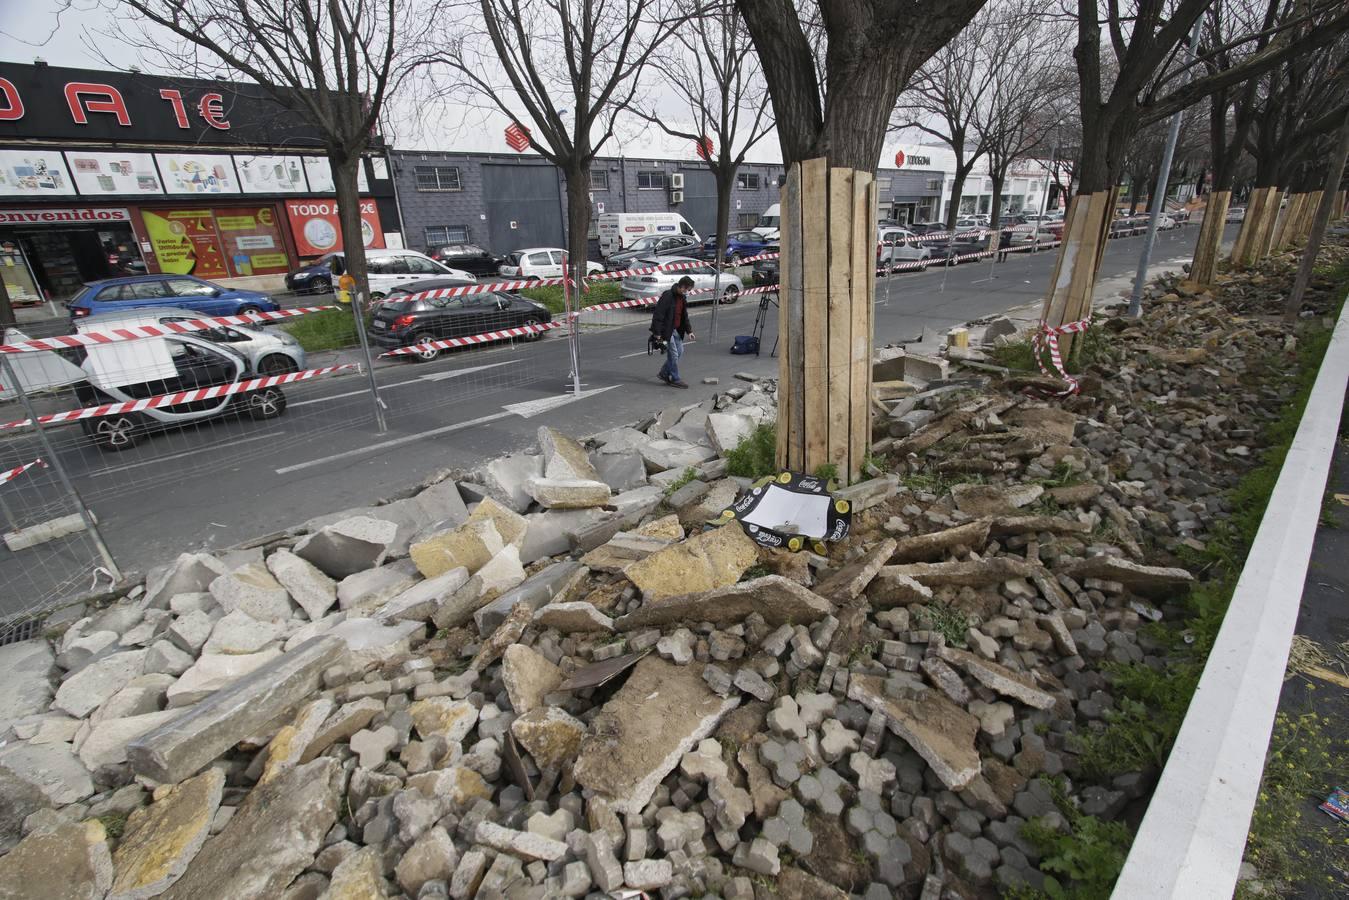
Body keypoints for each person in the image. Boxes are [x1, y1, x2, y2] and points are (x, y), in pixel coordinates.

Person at [650, 275, 695, 388]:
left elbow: (684, 316)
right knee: (674, 355)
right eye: (687, 289)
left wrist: (689, 331)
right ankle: (675, 378)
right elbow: (658, 315)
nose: (688, 292)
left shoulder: (682, 298)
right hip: (666, 330)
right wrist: (657, 334)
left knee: (680, 351)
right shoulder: (668, 296)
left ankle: (664, 373)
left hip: (676, 329)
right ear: (683, 287)